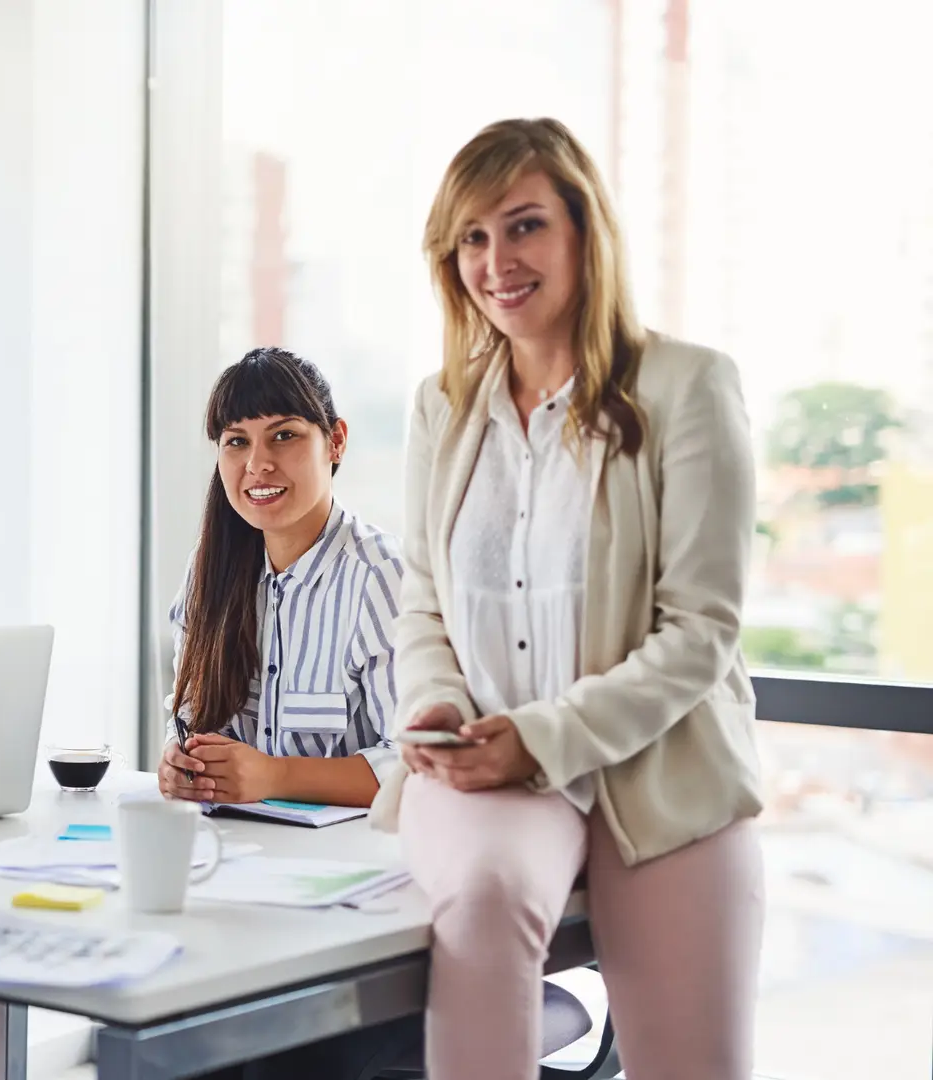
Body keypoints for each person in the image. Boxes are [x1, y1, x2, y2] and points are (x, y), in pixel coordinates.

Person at [383, 117, 764, 1079]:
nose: (496, 261)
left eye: (523, 226)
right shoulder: (443, 405)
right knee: (482, 900)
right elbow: (422, 606)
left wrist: (547, 736)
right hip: (484, 769)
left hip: (663, 775)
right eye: (472, 236)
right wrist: (438, 710)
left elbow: (699, 632)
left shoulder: (687, 386)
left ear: (584, 233)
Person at [157, 347, 401, 809]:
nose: (258, 464)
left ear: (336, 442)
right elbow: (188, 719)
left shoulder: (381, 576)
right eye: (237, 441)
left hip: (347, 857)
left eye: (283, 435)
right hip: (234, 845)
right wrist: (180, 761)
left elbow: (416, 766)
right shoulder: (209, 569)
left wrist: (275, 776)